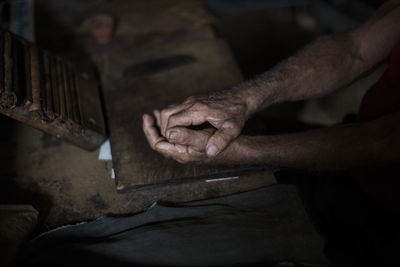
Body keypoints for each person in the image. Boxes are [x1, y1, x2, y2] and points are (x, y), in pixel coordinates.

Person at [143, 1, 400, 265]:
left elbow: (383, 141)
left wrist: (242, 151)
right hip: (353, 146)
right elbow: (354, 49)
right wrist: (243, 98)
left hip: (385, 213)